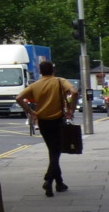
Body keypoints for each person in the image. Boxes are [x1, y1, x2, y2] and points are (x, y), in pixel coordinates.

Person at [15, 60, 78, 197]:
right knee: (56, 152)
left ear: (40, 71)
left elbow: (19, 98)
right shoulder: (60, 81)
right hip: (58, 121)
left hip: (43, 122)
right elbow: (74, 91)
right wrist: (71, 110)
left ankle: (59, 183)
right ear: (53, 70)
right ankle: (48, 179)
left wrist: (31, 113)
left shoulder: (35, 85)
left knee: (52, 151)